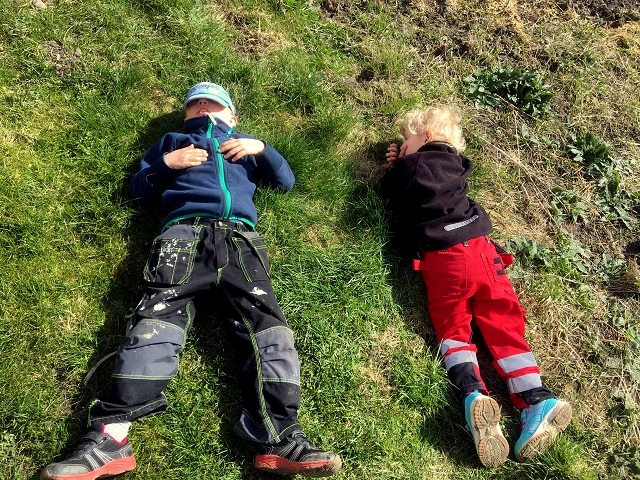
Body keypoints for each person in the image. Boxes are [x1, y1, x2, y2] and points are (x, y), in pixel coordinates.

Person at [40, 82, 342, 480]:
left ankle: (280, 437)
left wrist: (262, 149)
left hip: (241, 242)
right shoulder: (174, 141)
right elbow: (139, 189)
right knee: (155, 322)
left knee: (269, 329)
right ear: (185, 116)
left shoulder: (243, 145)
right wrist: (169, 163)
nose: (203, 108)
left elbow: (285, 181)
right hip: (182, 238)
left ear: (232, 117)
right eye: (195, 104)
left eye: (213, 104)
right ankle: (110, 438)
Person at [378, 106, 572, 467]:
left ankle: (474, 394)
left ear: (426, 137)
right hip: (486, 254)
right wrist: (403, 156)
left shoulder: (415, 165)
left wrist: (393, 167)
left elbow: (388, 192)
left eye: (405, 140)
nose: (402, 146)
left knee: (453, 327)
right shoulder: (458, 166)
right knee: (505, 324)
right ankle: (536, 398)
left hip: (447, 259)